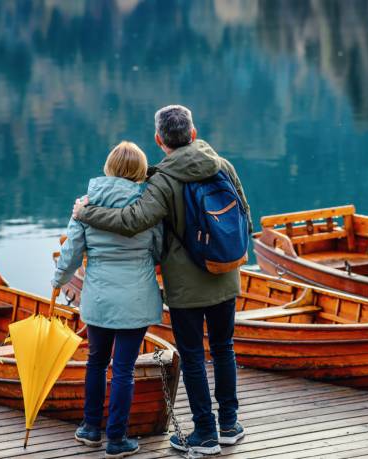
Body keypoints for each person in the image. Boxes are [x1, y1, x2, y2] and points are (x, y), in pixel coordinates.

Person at [73, 105, 252, 455]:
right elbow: (245, 211)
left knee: (194, 356)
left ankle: (205, 434)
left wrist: (86, 212)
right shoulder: (223, 165)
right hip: (226, 274)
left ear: (159, 140)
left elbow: (131, 220)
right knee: (223, 348)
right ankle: (229, 424)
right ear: (194, 133)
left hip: (186, 288)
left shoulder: (164, 180)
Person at [52, 141, 163, 459]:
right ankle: (117, 440)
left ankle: (89, 429)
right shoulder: (147, 207)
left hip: (98, 298)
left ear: (109, 168)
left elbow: (72, 252)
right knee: (124, 369)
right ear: (140, 171)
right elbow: (159, 249)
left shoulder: (85, 205)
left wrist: (58, 281)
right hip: (136, 297)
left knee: (96, 363)